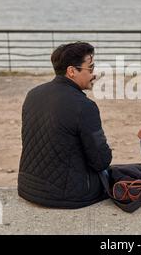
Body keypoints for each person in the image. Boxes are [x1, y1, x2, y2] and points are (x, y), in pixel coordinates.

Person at [18, 42, 112, 209]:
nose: (94, 74)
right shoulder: (84, 106)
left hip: (29, 187)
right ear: (71, 71)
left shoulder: (32, 94)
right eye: (90, 68)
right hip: (70, 195)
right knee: (127, 173)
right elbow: (101, 161)